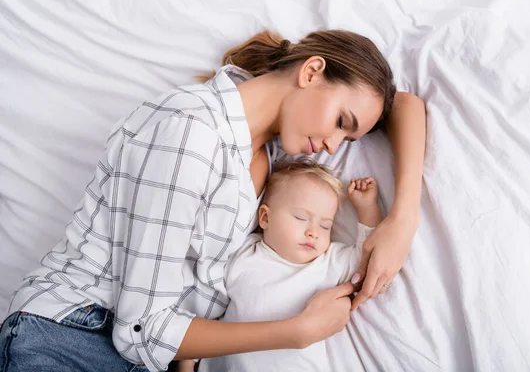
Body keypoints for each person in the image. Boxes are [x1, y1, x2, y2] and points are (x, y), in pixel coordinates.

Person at [0, 29, 426, 372]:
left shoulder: (270, 156)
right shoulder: (192, 132)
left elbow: (405, 105)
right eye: (339, 123)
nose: (333, 147)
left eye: (347, 139)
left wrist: (402, 220)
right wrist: (297, 332)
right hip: (71, 336)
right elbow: (142, 327)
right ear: (312, 71)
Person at [200, 159, 384, 372]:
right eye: (300, 218)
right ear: (265, 217)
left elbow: (368, 256)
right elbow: (207, 301)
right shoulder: (243, 254)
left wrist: (367, 208)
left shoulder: (326, 262)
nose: (313, 232)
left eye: (325, 226)